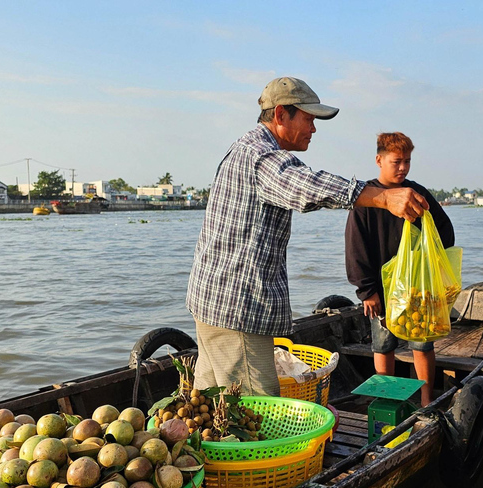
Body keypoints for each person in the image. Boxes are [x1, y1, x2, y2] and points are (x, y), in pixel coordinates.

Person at [186, 77, 429, 396]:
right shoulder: (263, 157)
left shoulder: (244, 148)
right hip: (237, 312)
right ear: (281, 114)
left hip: (212, 304)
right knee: (252, 408)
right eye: (309, 119)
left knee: (210, 404)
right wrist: (383, 197)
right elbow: (305, 185)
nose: (314, 129)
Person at [345, 132, 455, 407]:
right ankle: (387, 402)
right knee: (383, 345)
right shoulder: (366, 199)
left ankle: (427, 400)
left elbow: (444, 230)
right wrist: (367, 290)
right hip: (381, 290)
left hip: (416, 288)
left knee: (422, 344)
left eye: (407, 161)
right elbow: (355, 247)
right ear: (379, 160)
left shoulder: (416, 194)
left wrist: (432, 265)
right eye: (396, 162)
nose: (403, 167)